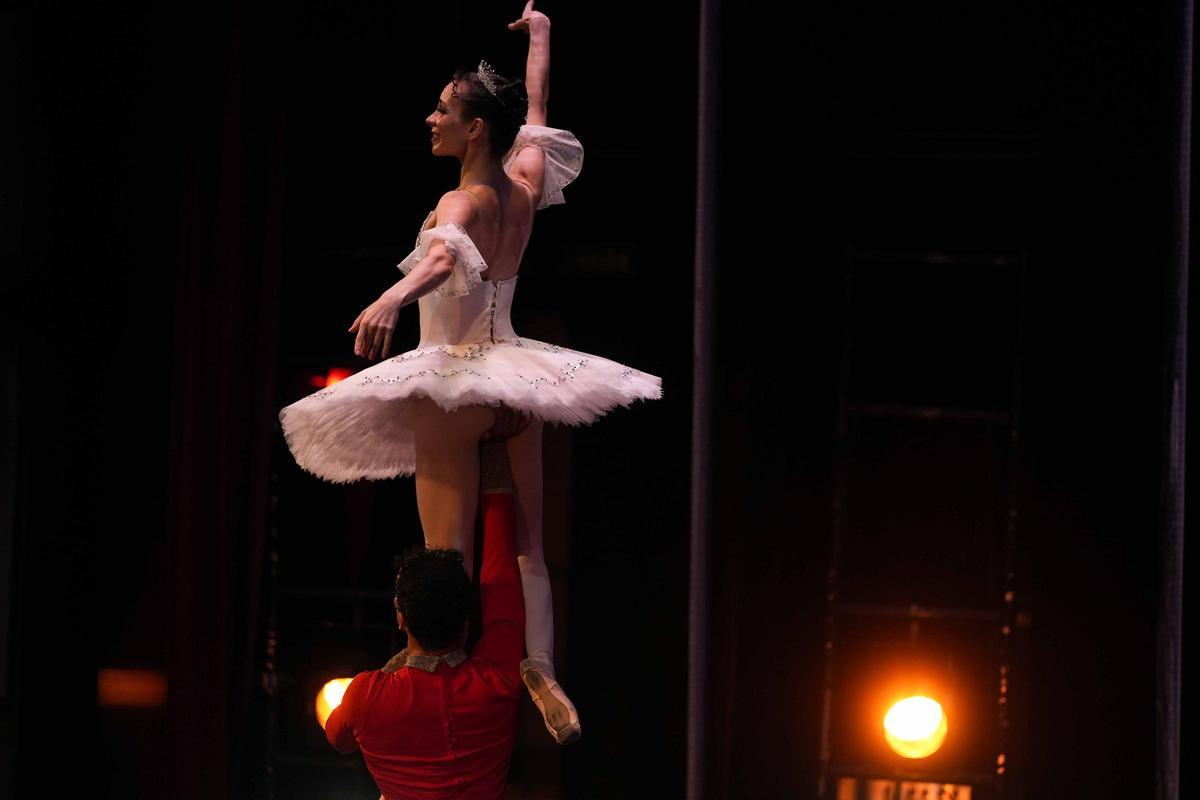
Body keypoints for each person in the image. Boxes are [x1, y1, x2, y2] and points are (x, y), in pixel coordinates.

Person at [278, 2, 662, 745]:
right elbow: (538, 107)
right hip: (514, 376)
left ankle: (432, 665)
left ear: (475, 128)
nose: (431, 119)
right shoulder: (523, 181)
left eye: (443, 111)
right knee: (530, 544)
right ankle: (541, 666)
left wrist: (388, 297)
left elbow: (444, 257)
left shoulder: (463, 198)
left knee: (443, 556)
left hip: (453, 381)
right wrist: (541, 35)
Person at [325, 437, 526, 800]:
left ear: (401, 617)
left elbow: (337, 737)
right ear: (466, 620)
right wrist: (497, 446)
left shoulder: (366, 696)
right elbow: (501, 569)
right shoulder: (499, 677)